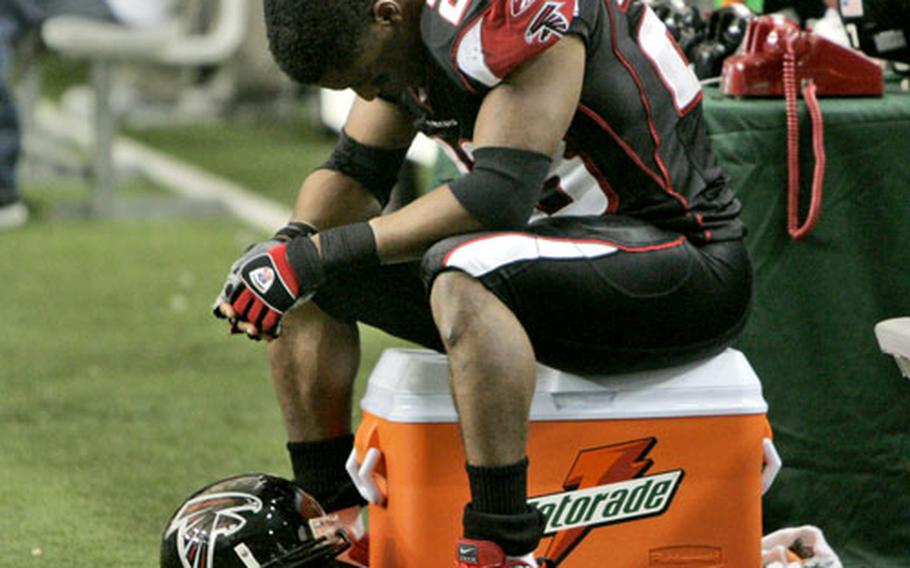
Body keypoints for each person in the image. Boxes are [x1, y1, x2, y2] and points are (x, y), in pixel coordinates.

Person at [213, 0, 753, 565]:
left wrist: (315, 253)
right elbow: (354, 169)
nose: (370, 94)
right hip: (549, 268)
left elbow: (498, 194)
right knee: (299, 275)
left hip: (682, 263)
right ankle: (338, 524)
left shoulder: (508, 15)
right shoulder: (402, 40)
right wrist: (288, 250)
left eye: (370, 77)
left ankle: (502, 545)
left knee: (460, 271)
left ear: (387, 15)